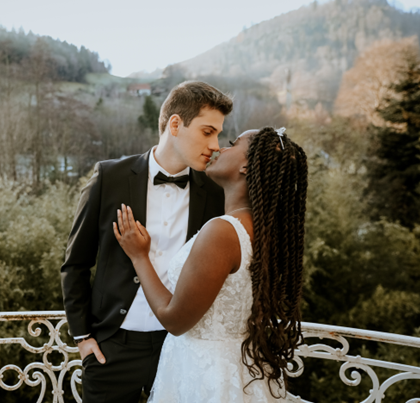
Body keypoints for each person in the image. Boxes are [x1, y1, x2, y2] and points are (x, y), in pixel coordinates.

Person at [60, 81, 233, 402]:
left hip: (181, 349)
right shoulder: (108, 178)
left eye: (218, 134)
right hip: (112, 350)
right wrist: (83, 337)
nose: (216, 144)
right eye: (208, 132)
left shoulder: (214, 193)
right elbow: (76, 263)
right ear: (176, 124)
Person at [114, 127, 308, 402]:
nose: (220, 148)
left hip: (206, 374)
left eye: (232, 144)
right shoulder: (264, 232)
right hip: (241, 367)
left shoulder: (223, 232)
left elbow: (175, 320)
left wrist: (139, 257)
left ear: (245, 167)